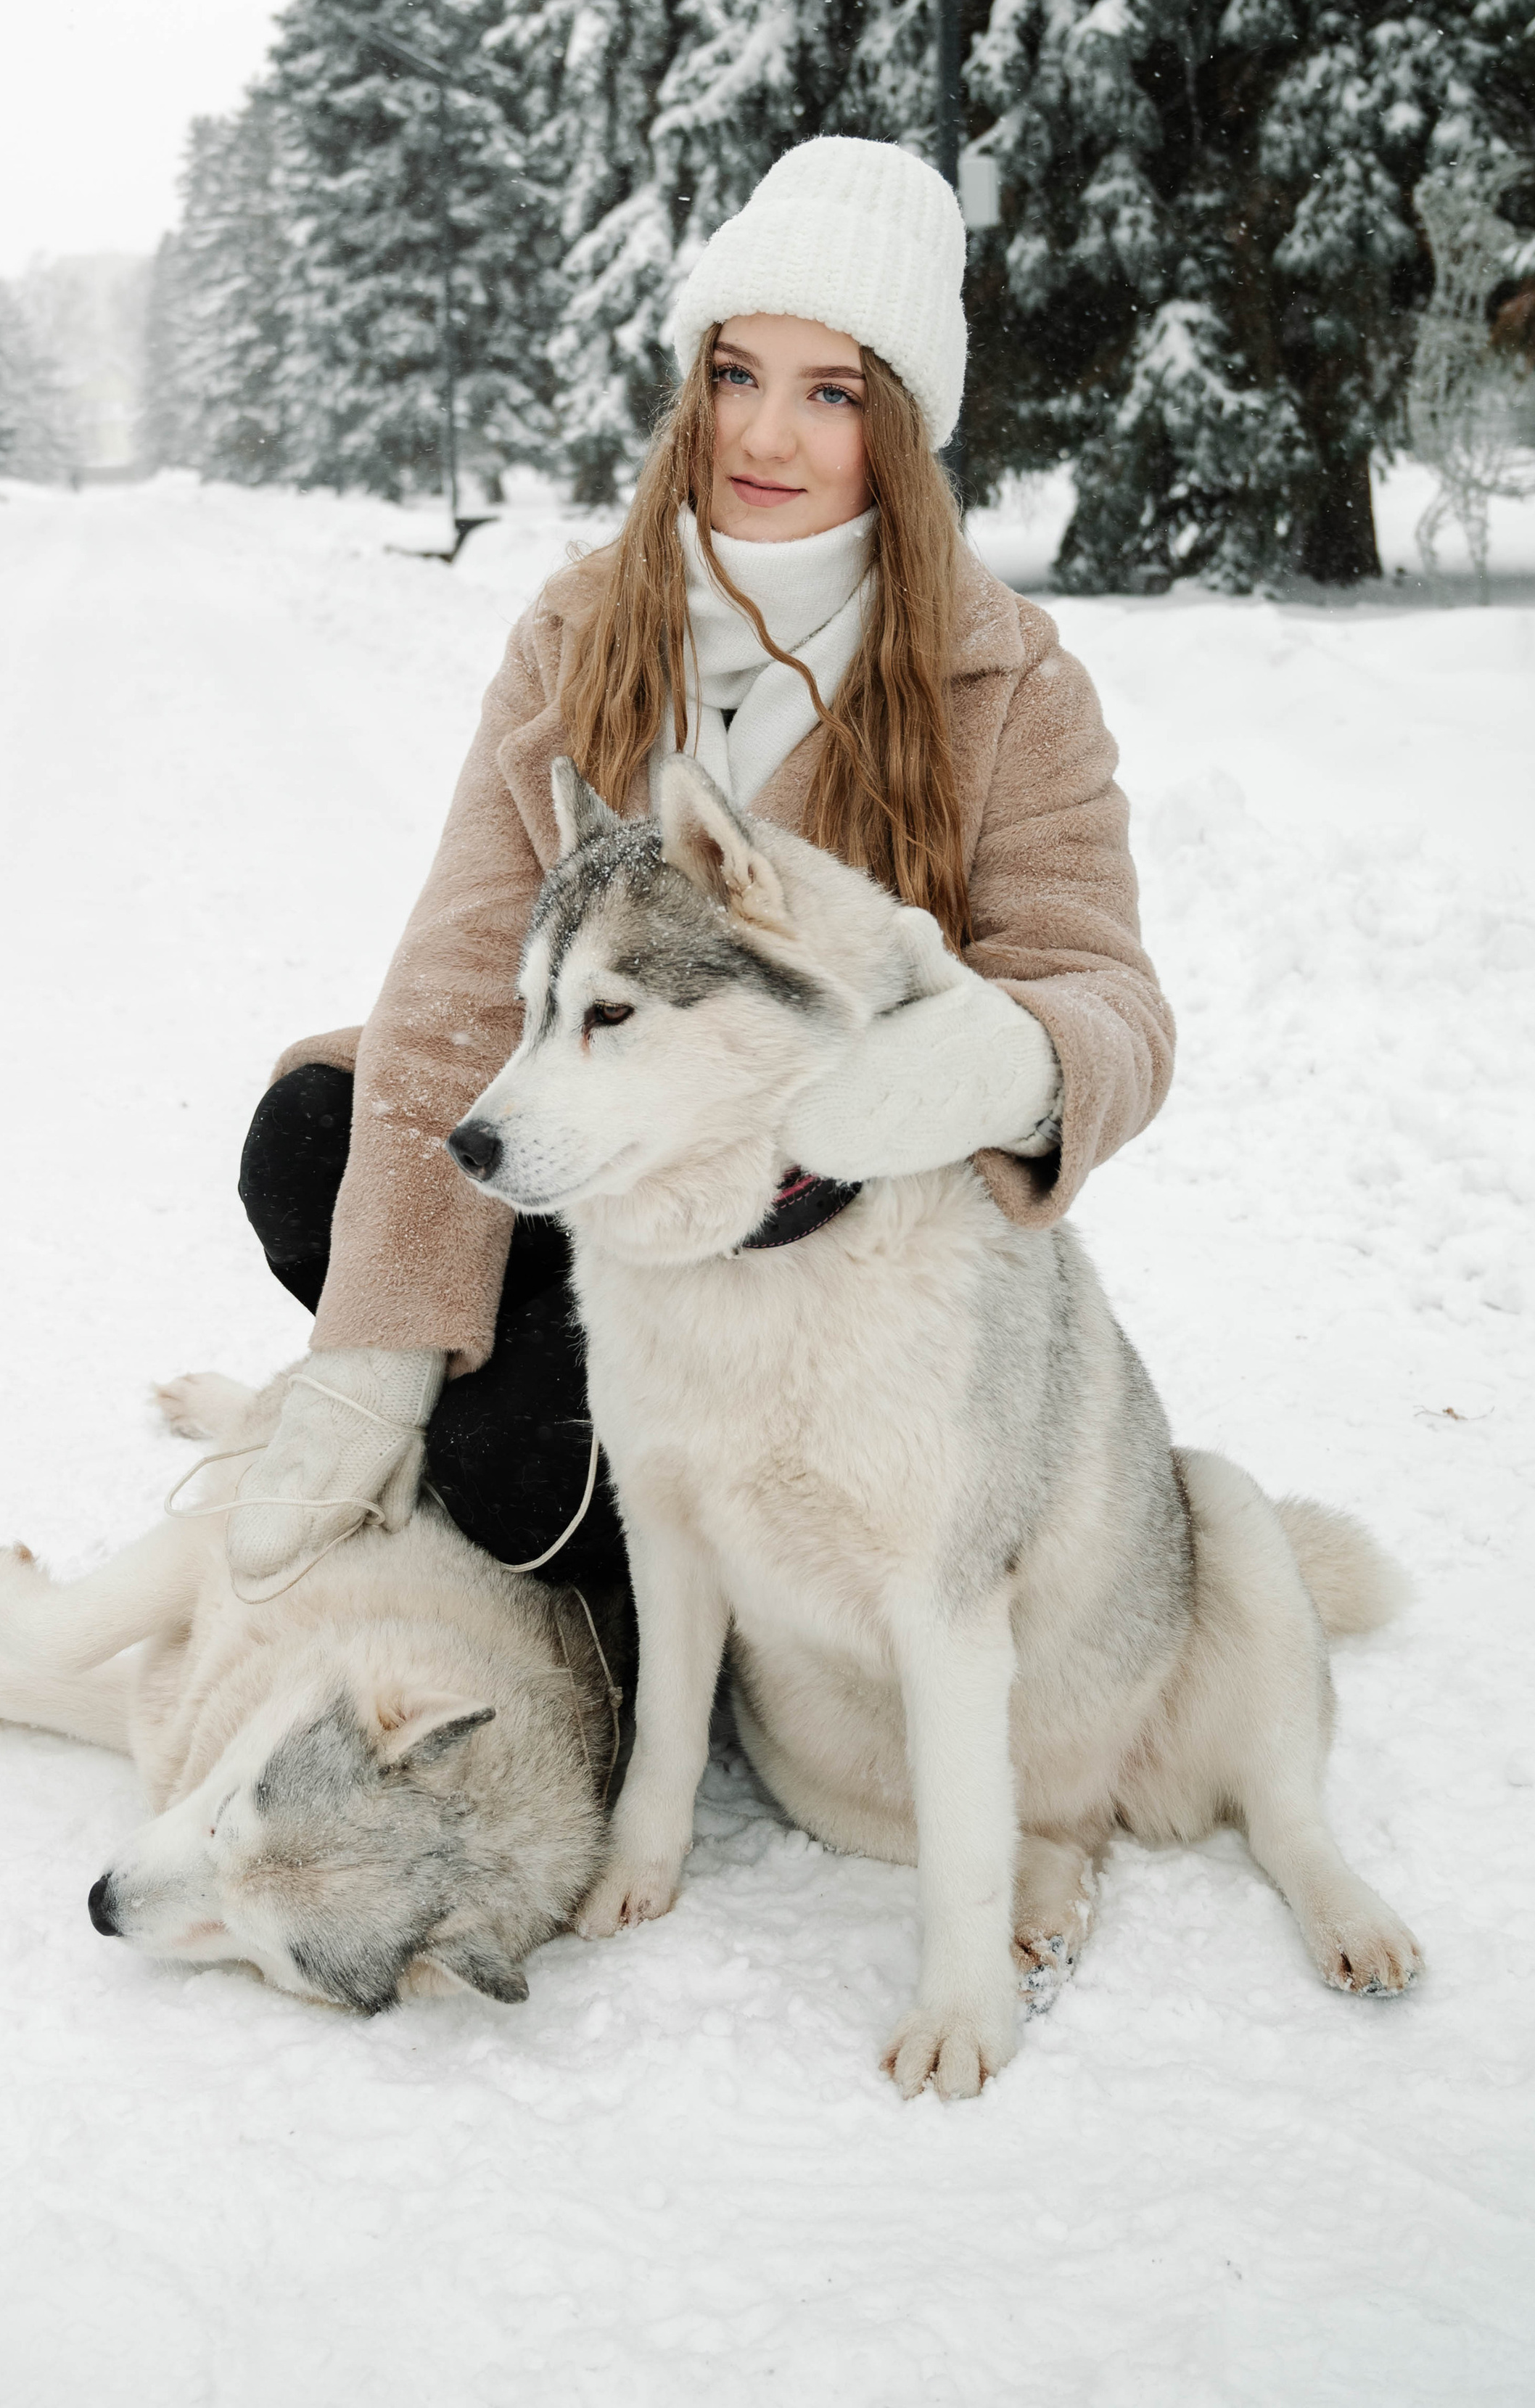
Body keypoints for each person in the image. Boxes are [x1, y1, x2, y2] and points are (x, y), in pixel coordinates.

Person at [228, 138, 1174, 1600]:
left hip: (830, 1264)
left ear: (897, 427)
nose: (767, 437)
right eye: (736, 375)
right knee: (313, 1130)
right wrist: (376, 1350)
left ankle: (611, 1542)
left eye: (829, 393)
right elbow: (461, 972)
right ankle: (520, 1473)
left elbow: (1103, 994)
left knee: (538, 1481)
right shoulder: (579, 630)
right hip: (604, 1175)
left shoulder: (1003, 681)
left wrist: (1010, 1059)